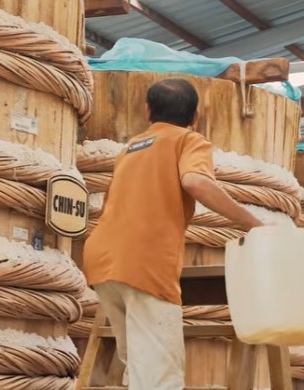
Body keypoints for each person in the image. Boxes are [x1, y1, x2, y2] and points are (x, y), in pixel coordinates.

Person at [82, 77, 263, 390]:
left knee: (139, 365)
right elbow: (195, 181)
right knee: (160, 376)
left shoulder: (130, 149)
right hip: (146, 265)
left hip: (102, 262)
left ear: (148, 110)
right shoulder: (189, 140)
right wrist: (254, 223)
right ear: (196, 117)